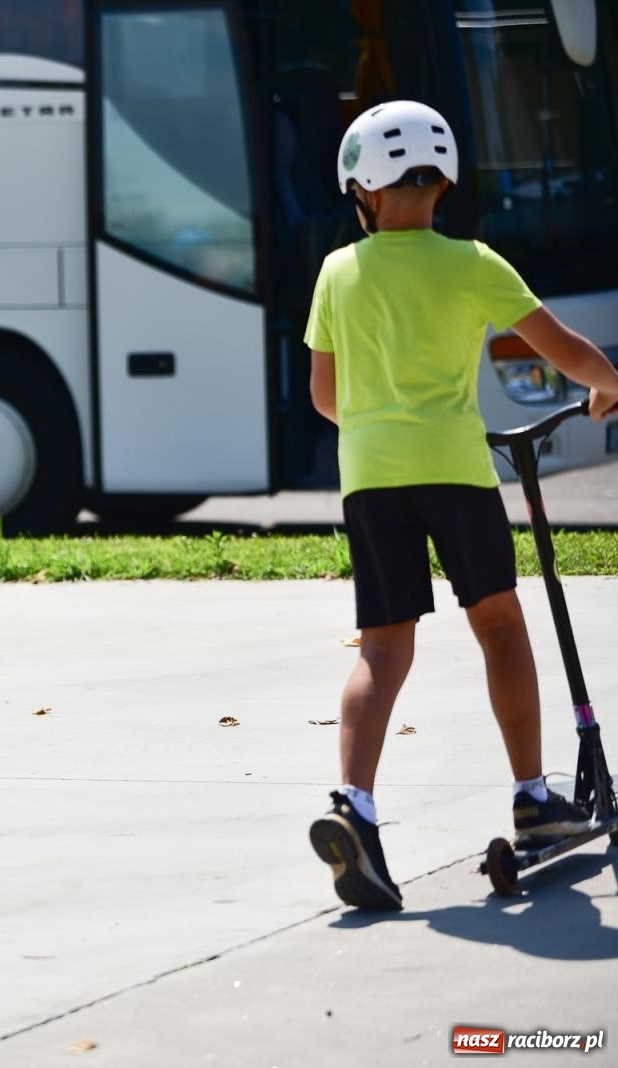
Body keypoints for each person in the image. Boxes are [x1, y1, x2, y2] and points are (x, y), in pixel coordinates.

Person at [304, 100, 618, 910]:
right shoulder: (473, 261)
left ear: (363, 192)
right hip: (454, 470)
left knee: (382, 649)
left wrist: (379, 426)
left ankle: (355, 807)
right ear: (442, 181)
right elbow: (562, 349)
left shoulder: (338, 272)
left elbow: (325, 396)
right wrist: (606, 385)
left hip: (370, 477)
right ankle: (531, 796)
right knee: (499, 624)